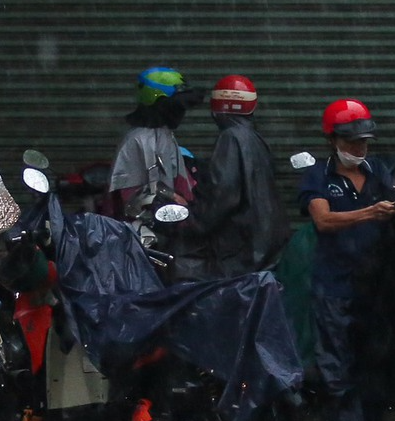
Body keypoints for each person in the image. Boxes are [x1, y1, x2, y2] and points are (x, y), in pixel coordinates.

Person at [299, 98, 395, 421]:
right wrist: (368, 212)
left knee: (373, 371)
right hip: (334, 289)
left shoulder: (378, 171)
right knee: (337, 373)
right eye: (351, 142)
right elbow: (323, 220)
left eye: (363, 142)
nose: (359, 149)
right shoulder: (318, 177)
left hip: (374, 292)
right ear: (332, 140)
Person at [183, 74, 290, 277]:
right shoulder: (256, 140)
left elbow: (224, 193)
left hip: (241, 253)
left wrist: (195, 223)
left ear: (217, 109)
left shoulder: (230, 138)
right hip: (263, 249)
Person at [109, 66, 195, 219]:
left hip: (169, 221)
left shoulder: (165, 135)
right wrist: (170, 196)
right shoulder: (137, 140)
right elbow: (129, 191)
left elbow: (181, 181)